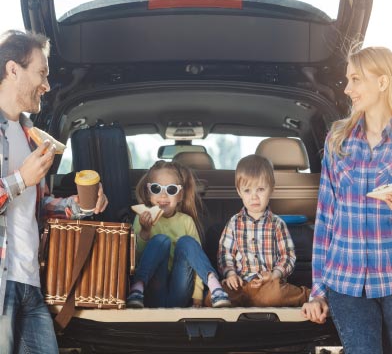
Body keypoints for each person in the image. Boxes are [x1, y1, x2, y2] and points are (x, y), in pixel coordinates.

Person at [0, 30, 108, 354]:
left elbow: (39, 205)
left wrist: (80, 206)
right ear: (13, 70)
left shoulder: (30, 133)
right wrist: (21, 179)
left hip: (30, 284)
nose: (47, 85)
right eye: (42, 73)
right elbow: (22, 185)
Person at [301, 46, 392, 354]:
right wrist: (318, 291)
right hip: (346, 282)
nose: (347, 88)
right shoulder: (337, 139)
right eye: (346, 80)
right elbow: (326, 219)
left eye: (355, 79)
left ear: (382, 82)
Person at [126, 160, 231, 308]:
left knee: (187, 242)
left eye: (171, 189)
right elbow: (135, 259)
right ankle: (137, 288)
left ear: (180, 195)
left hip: (180, 291)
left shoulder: (186, 221)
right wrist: (145, 232)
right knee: (160, 240)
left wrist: (197, 296)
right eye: (156, 188)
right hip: (150, 291)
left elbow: (196, 261)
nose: (163, 195)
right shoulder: (142, 217)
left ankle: (215, 287)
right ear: (148, 192)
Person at [215, 154, 310, 307]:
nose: (254, 197)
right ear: (239, 192)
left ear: (271, 189)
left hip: (268, 284)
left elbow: (288, 256)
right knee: (214, 297)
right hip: (241, 285)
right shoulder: (233, 223)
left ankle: (309, 295)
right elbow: (225, 254)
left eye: (260, 189)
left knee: (275, 295)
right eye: (247, 191)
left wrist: (275, 275)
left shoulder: (277, 224)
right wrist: (231, 274)